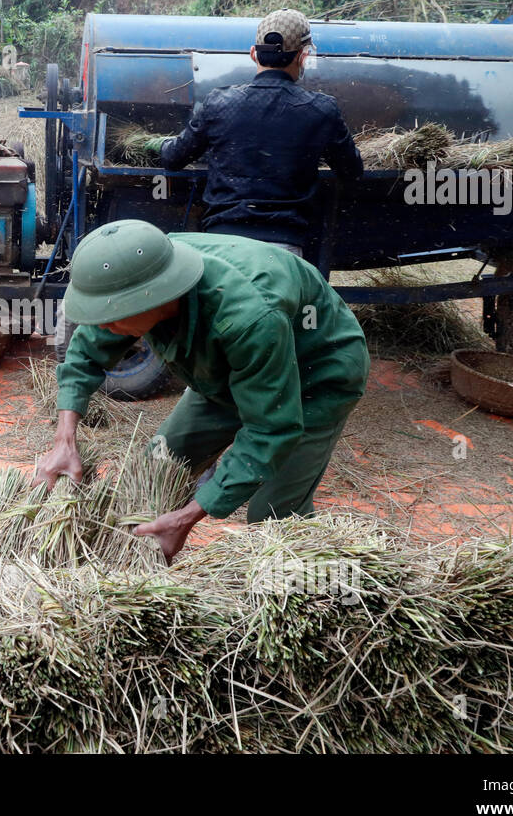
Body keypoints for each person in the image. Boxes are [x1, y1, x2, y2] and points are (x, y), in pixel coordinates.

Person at [32, 219, 369, 563]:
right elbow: (86, 351)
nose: (103, 326)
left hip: (315, 374)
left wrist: (188, 517)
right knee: (158, 466)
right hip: (228, 370)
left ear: (151, 298)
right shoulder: (141, 273)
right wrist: (65, 440)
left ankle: (309, 585)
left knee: (273, 517)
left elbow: (270, 429)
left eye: (109, 316)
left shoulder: (248, 316)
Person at [155, 8, 363, 258]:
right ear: (303, 56)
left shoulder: (219, 103)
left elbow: (173, 158)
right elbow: (352, 171)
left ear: (253, 54)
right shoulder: (320, 110)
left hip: (223, 244)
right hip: (284, 247)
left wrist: (157, 143)